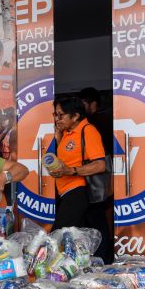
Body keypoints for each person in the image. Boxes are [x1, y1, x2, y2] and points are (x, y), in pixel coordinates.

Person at [46, 95, 107, 232]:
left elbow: (100, 165)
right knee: (75, 238)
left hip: (77, 191)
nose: (57, 119)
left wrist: (71, 171)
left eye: (61, 115)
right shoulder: (68, 132)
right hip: (66, 192)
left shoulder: (88, 131)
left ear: (75, 116)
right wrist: (59, 137)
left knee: (58, 236)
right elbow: (70, 155)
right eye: (55, 115)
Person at [79, 87, 114, 262]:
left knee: (96, 219)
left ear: (93, 104)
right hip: (104, 177)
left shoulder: (91, 124)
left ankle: (102, 259)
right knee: (99, 218)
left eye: (83, 103)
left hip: (95, 176)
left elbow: (98, 161)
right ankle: (104, 258)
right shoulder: (105, 120)